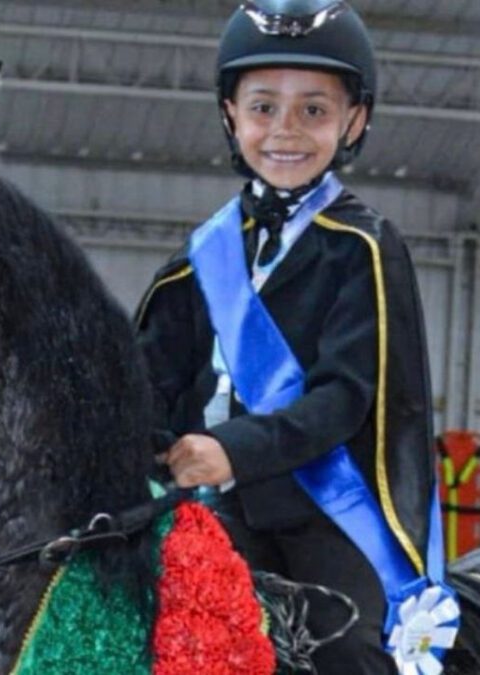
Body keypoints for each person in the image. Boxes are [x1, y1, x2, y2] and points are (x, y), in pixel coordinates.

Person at [136, 2, 446, 672]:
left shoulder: (362, 247)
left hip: (321, 517)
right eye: (263, 107)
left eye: (313, 110)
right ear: (230, 114)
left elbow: (342, 398)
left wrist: (233, 452)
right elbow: (149, 382)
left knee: (355, 650)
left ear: (354, 120)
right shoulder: (201, 256)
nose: (285, 131)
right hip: (201, 513)